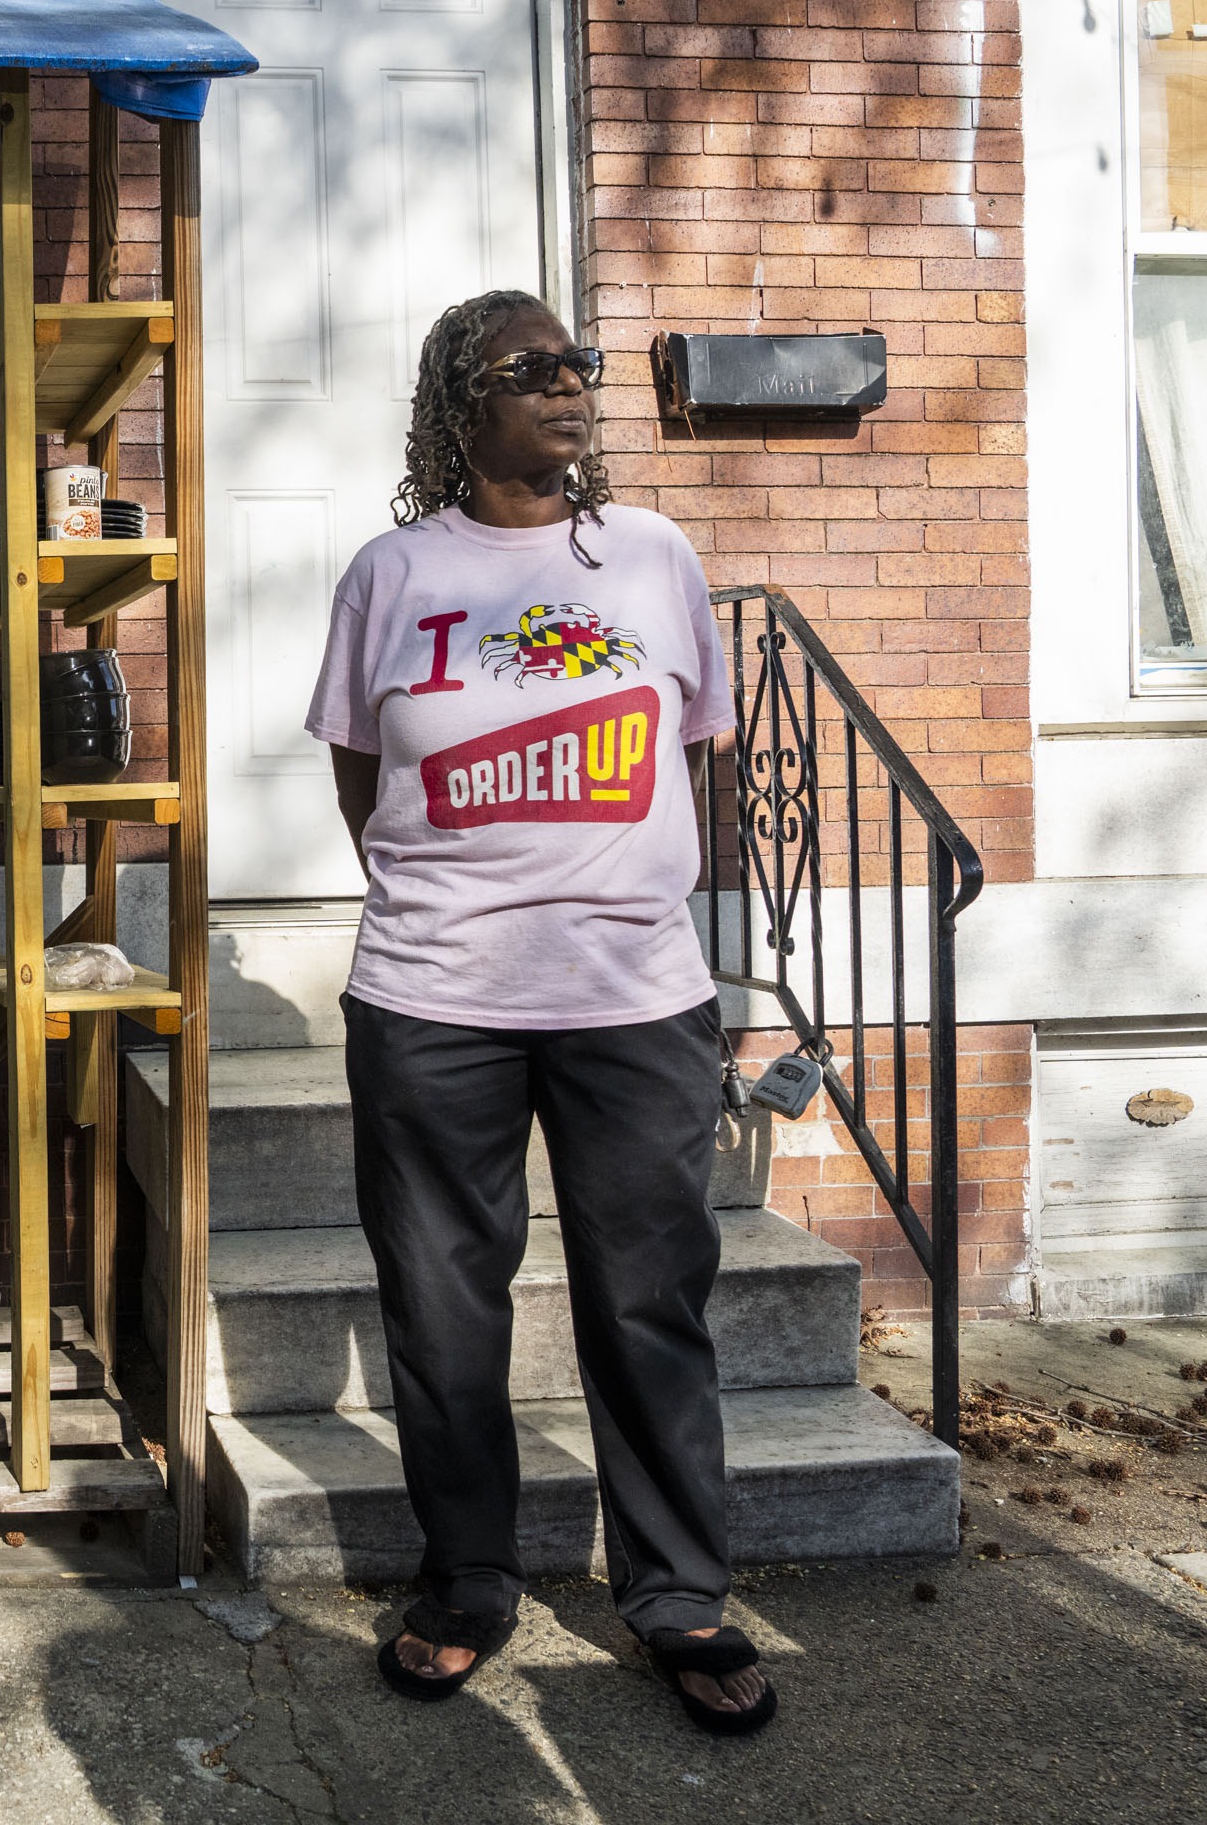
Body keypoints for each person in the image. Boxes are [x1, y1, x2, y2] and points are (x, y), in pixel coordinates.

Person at [303, 290, 775, 1736]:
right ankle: (468, 1578)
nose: (572, 388)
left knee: (648, 1299)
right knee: (444, 1308)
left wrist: (678, 929)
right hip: (435, 997)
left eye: (580, 366)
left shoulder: (650, 557)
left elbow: (705, 754)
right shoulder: (392, 573)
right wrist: (454, 892)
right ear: (460, 405)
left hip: (633, 996)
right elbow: (360, 775)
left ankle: (678, 1590)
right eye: (532, 371)